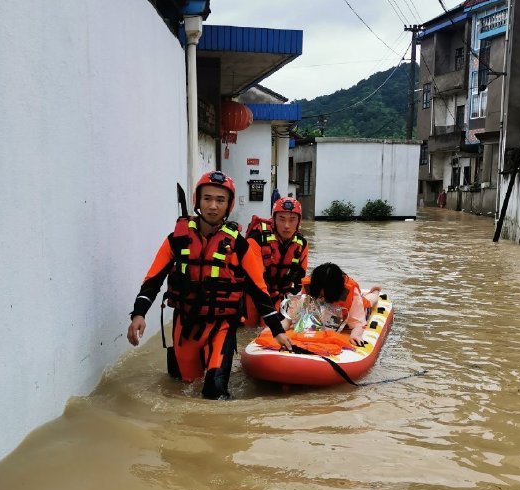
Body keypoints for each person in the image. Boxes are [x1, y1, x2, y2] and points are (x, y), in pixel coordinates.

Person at [127, 171, 292, 399]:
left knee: (214, 392)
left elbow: (258, 290)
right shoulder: (177, 239)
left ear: (228, 205)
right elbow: (153, 280)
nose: (213, 206)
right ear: (198, 201)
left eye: (220, 200)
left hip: (221, 326)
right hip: (185, 326)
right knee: (181, 389)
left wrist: (277, 331)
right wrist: (139, 314)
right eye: (207, 199)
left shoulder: (239, 246)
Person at [242, 196, 308, 325]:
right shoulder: (256, 238)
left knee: (274, 329)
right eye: (281, 219)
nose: (287, 226)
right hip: (253, 294)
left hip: (280, 295)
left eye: (292, 219)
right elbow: (254, 278)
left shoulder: (301, 244)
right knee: (249, 329)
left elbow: (300, 283)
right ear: (273, 220)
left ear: (299, 221)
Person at [283, 262, 381, 347]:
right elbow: (289, 319)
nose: (321, 295)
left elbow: (359, 324)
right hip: (322, 316)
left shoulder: (349, 293)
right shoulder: (309, 287)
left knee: (369, 302)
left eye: (324, 292)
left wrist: (355, 335)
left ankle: (375, 291)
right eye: (319, 292)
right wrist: (274, 330)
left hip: (349, 314)